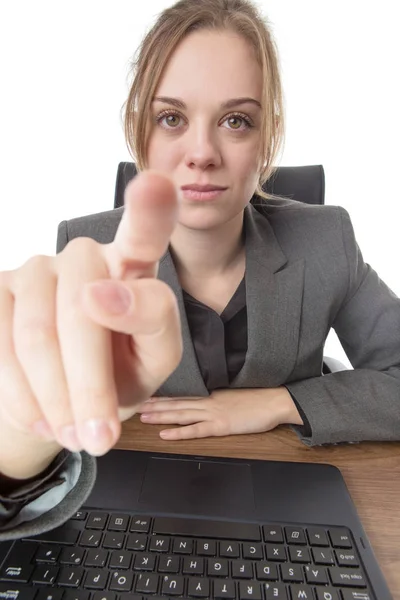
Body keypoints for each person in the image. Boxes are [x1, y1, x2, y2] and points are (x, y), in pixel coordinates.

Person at [0, 0, 399, 541]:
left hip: (288, 516)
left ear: (266, 138)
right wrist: (20, 437)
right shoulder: (86, 247)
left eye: (236, 121)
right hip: (138, 525)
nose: (203, 152)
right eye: (172, 118)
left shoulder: (327, 240)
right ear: (140, 131)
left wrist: (279, 403)